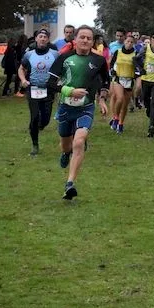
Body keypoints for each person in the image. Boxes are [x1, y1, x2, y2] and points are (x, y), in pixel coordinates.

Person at [47, 25, 110, 200]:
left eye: (89, 38)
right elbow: (50, 83)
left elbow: (106, 80)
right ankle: (66, 153)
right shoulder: (64, 58)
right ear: (75, 39)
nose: (85, 41)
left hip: (86, 107)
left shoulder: (98, 61)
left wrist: (102, 98)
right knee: (66, 145)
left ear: (92, 42)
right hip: (66, 108)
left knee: (79, 141)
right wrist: (69, 91)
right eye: (82, 37)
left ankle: (70, 184)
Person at [18, 28, 60, 156]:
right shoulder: (29, 54)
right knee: (35, 117)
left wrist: (60, 80)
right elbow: (21, 68)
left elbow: (61, 69)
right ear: (36, 39)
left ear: (48, 40)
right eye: (40, 36)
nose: (42, 39)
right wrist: (23, 80)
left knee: (45, 119)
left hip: (48, 89)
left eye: (45, 37)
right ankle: (35, 145)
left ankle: (38, 126)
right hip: (33, 88)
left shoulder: (54, 54)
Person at [108, 35, 139, 134]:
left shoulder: (135, 54)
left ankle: (121, 124)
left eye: (131, 42)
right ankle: (116, 118)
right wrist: (112, 71)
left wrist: (137, 74)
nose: (129, 44)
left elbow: (138, 67)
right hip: (118, 78)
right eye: (127, 41)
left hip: (129, 80)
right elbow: (112, 64)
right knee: (120, 98)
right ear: (124, 42)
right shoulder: (118, 52)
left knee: (125, 105)